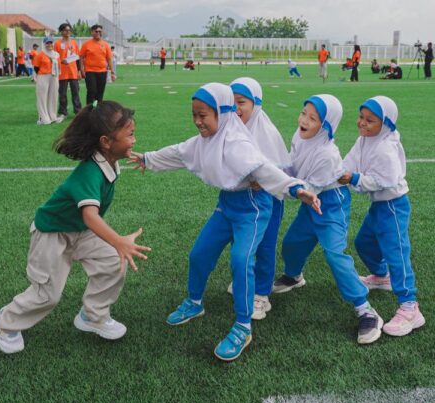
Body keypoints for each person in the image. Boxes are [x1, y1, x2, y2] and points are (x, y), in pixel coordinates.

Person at [129, 83, 321, 361]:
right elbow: (180, 152)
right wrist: (148, 158)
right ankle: (194, 302)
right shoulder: (206, 139)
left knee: (241, 260)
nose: (197, 121)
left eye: (203, 115)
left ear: (221, 113)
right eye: (194, 114)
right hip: (228, 205)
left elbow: (264, 169)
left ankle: (243, 327)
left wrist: (295, 188)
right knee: (199, 253)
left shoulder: (236, 142)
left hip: (253, 209)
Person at [0, 100, 150, 354]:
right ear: (106, 142)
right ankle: (6, 322)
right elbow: (90, 216)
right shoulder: (89, 172)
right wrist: (119, 241)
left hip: (80, 231)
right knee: (47, 294)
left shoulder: (109, 159)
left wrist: (145, 158)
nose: (134, 140)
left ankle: (92, 316)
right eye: (130, 135)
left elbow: (88, 220)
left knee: (113, 262)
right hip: (52, 234)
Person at [273, 94, 383, 345]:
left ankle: (366, 309)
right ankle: (294, 276)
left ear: (326, 126)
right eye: (304, 113)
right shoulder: (299, 136)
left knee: (334, 254)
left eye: (313, 118)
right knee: (292, 243)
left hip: (330, 204)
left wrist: (277, 184)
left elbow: (307, 188)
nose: (303, 120)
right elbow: (292, 167)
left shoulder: (327, 154)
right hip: (311, 202)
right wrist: (274, 172)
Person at [340, 96, 425, 337]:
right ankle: (381, 276)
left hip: (393, 206)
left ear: (385, 124)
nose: (362, 123)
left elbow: (384, 181)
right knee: (363, 243)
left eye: (370, 120)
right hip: (379, 206)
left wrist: (353, 178)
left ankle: (410, 308)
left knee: (397, 254)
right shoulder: (365, 140)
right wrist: (335, 170)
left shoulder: (386, 147)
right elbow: (349, 162)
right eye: (361, 117)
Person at [226, 77, 293, 320]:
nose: (236, 108)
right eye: (231, 102)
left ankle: (261, 294)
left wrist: (260, 180)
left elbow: (278, 169)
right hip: (243, 201)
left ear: (256, 104)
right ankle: (244, 280)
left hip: (269, 201)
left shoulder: (266, 132)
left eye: (241, 102)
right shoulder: (232, 128)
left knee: (264, 245)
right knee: (242, 243)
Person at [79, 24, 115, 107]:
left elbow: (109, 59)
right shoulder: (86, 44)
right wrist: (81, 70)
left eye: (100, 31)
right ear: (92, 32)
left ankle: (98, 111)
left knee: (100, 92)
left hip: (102, 72)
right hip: (90, 71)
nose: (98, 33)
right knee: (92, 91)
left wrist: (112, 72)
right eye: (96, 31)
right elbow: (81, 58)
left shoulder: (106, 45)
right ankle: (89, 110)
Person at [55, 23, 82, 119]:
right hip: (62, 73)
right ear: (61, 31)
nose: (68, 32)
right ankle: (63, 112)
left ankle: (78, 111)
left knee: (76, 92)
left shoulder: (74, 43)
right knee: (62, 93)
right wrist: (60, 61)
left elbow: (78, 58)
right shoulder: (57, 43)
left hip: (73, 72)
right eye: (66, 30)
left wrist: (79, 71)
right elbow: (55, 57)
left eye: (69, 30)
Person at [32, 37, 61, 125]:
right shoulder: (40, 54)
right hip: (43, 76)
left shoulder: (57, 55)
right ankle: (43, 117)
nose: (49, 45)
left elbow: (59, 66)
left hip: (54, 76)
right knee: (42, 97)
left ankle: (53, 116)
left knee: (53, 96)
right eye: (47, 43)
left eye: (51, 43)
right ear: (44, 44)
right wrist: (38, 76)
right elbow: (36, 68)